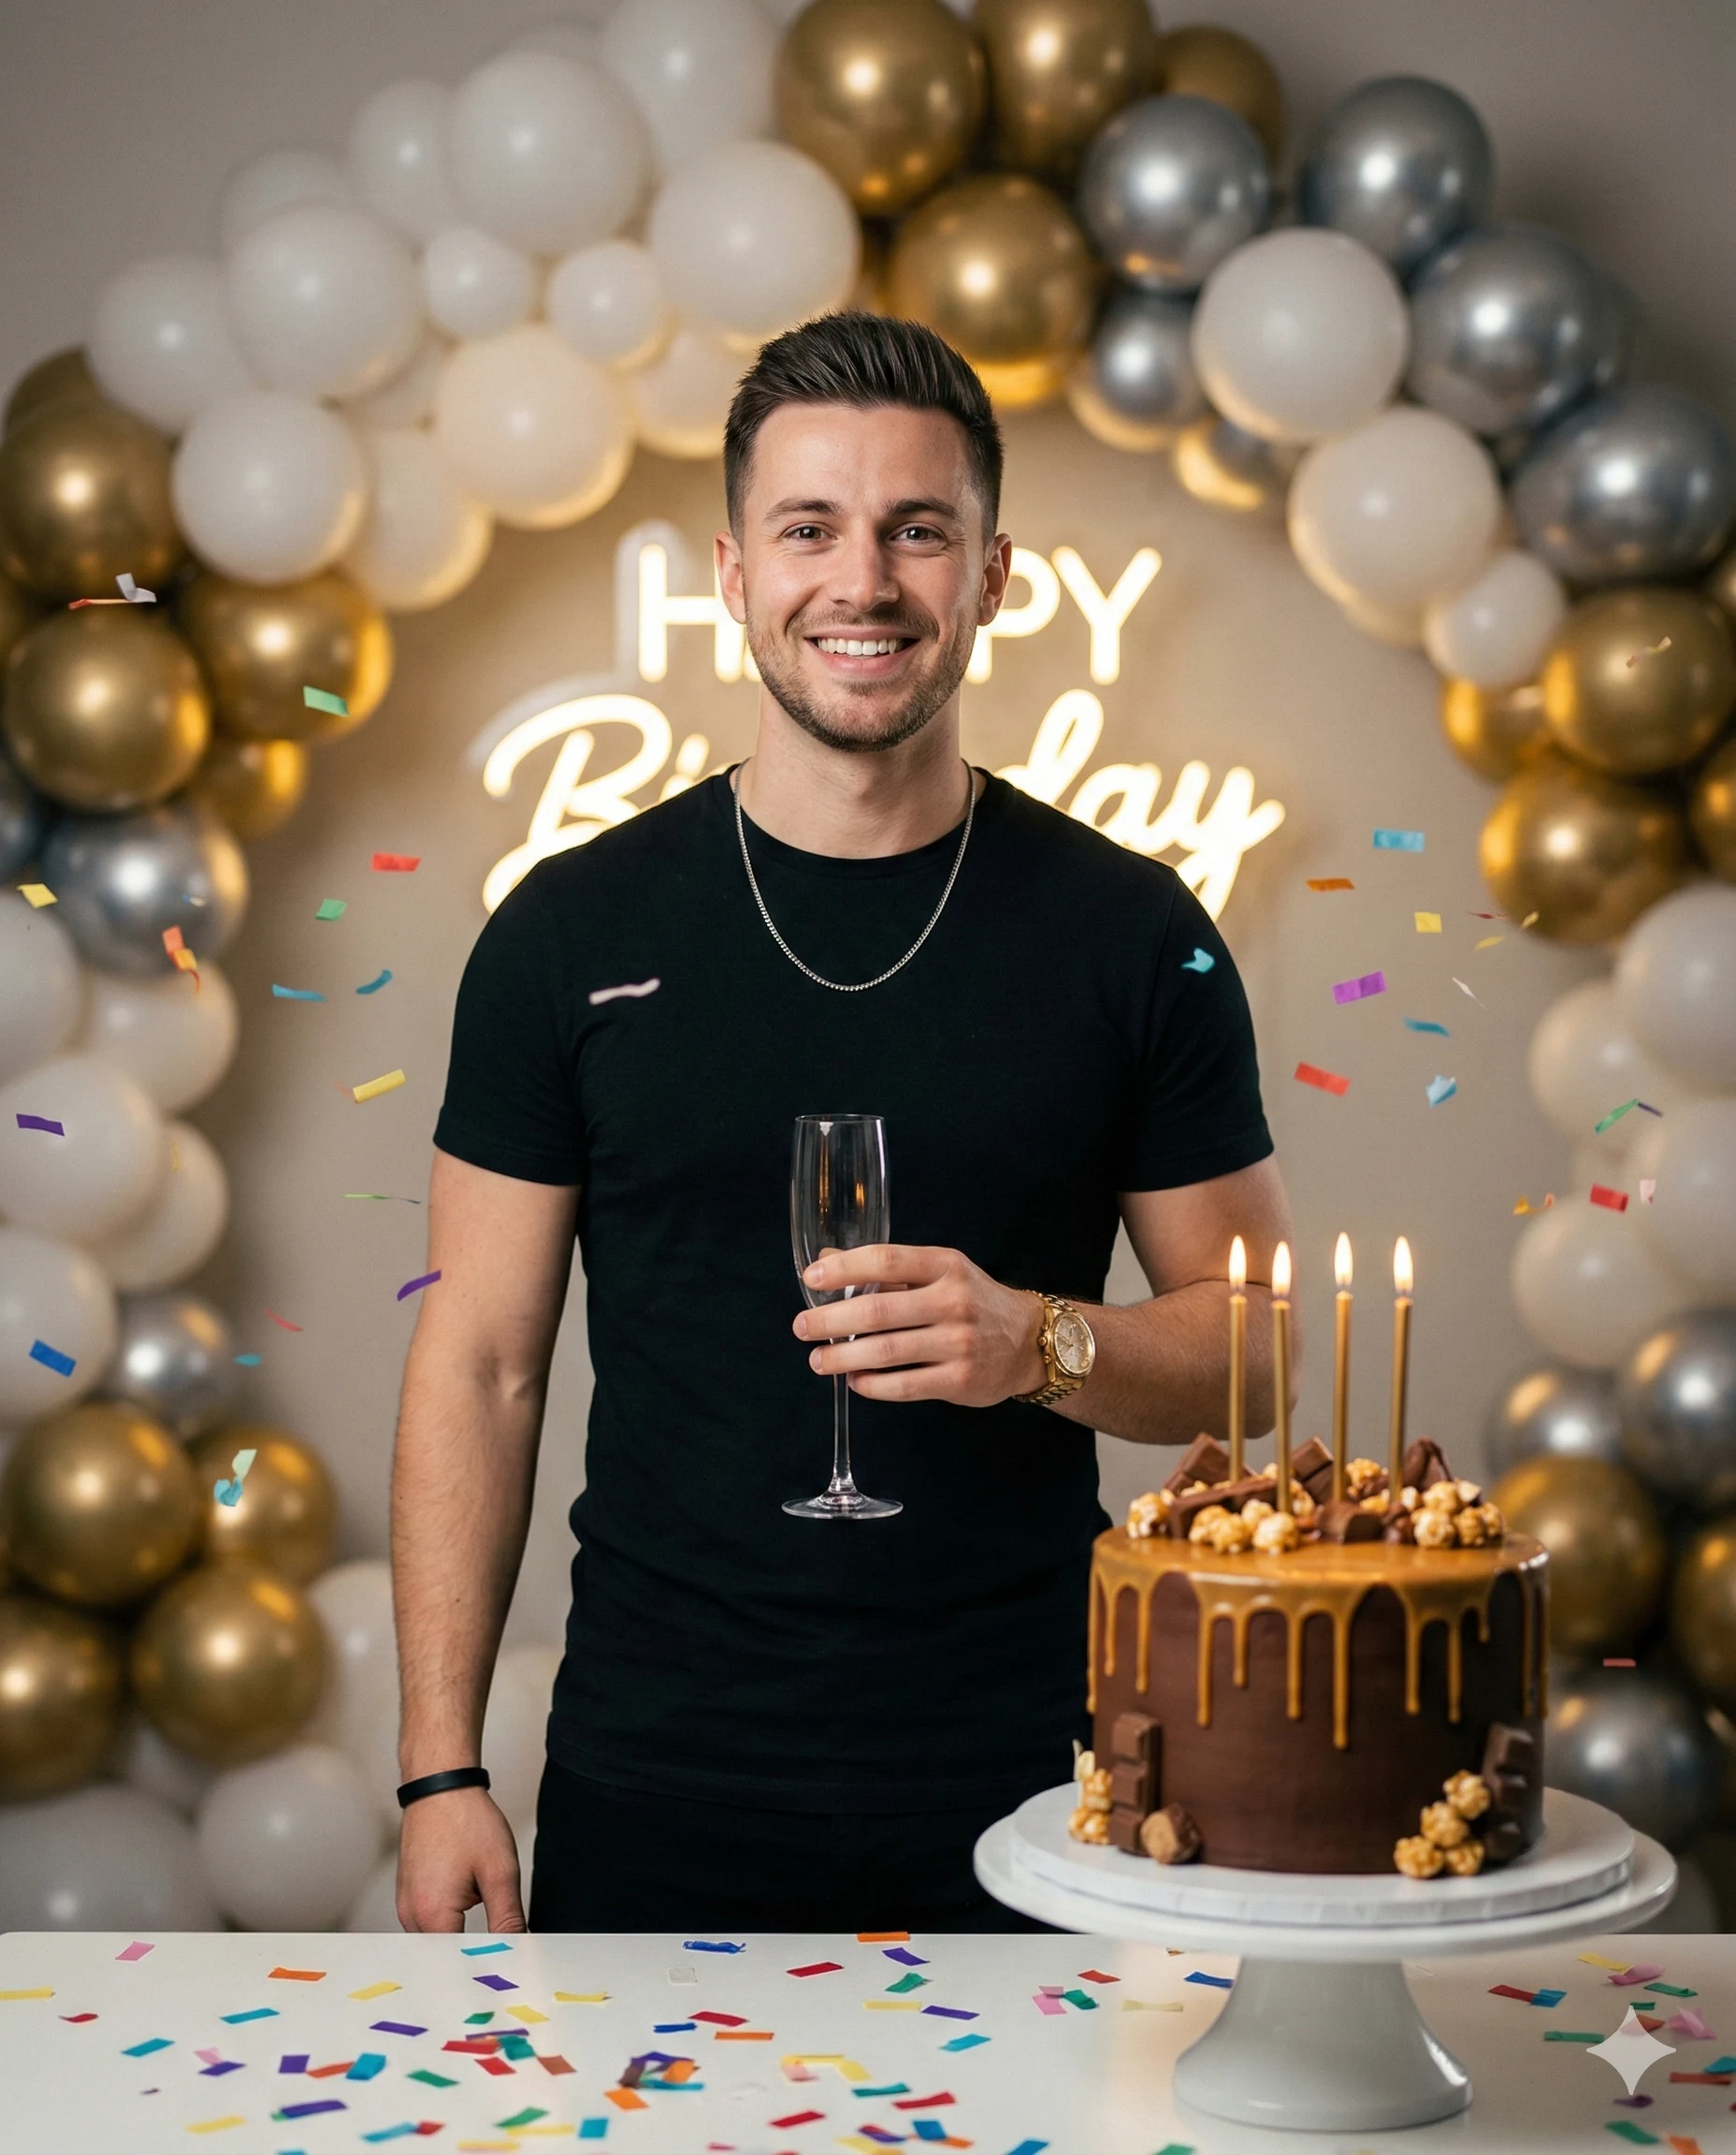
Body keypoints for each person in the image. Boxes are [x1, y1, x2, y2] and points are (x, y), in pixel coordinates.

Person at [391, 311, 1295, 1935]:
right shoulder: (562, 935)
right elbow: (480, 1364)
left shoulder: (1131, 933)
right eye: (809, 529)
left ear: (995, 574)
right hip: (657, 1778)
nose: (862, 582)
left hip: (1040, 1781)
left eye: (916, 530)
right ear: (732, 575)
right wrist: (439, 1768)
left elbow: (1260, 1350)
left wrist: (1045, 1346)